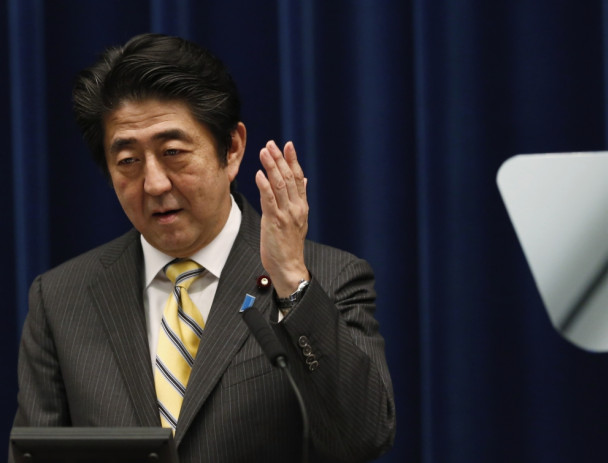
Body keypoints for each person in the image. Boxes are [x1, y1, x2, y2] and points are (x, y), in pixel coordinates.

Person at [11, 33, 395, 462]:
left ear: (231, 149)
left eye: (173, 152)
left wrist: (290, 281)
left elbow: (364, 436)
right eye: (128, 162)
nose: (154, 183)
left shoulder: (328, 278)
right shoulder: (61, 299)